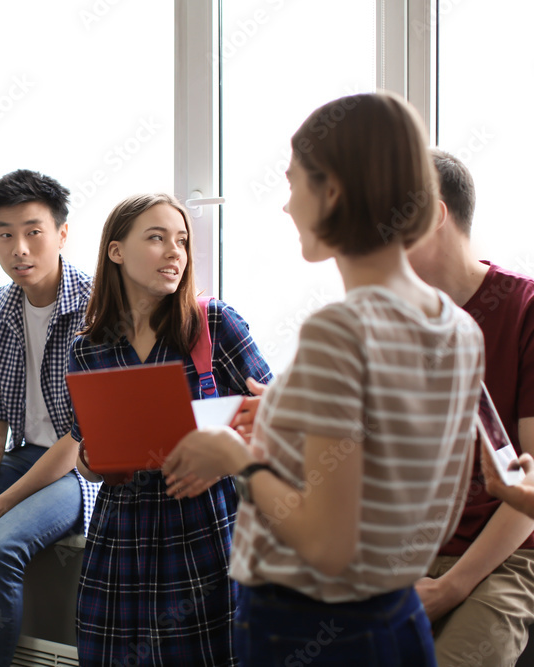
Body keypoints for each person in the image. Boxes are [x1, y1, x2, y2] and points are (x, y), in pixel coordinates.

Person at [161, 92, 486, 666]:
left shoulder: (340, 330)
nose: (287, 207)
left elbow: (327, 545)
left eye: (294, 184)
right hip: (396, 613)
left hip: (307, 626)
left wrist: (237, 461)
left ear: (332, 192)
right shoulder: (457, 328)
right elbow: (410, 485)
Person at [69, 192, 272, 666]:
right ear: (116, 251)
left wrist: (221, 456)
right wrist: (94, 460)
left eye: (181, 240)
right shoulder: (89, 348)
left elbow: (278, 421)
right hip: (120, 539)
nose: (175, 252)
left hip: (203, 534)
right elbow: (87, 457)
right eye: (157, 238)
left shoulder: (213, 323)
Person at [0, 169, 100, 666]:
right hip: (23, 457)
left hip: (83, 469)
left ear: (62, 234)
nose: (19, 247)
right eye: (5, 234)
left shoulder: (96, 305)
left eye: (33, 232)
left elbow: (81, 439)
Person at [407, 149, 534, 665]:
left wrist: (451, 587)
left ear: (432, 215)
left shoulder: (524, 311)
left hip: (506, 556)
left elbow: (528, 489)